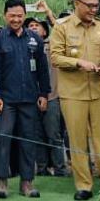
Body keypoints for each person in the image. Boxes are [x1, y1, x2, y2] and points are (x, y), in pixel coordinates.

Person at [50, 0, 100, 201]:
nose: (94, 9)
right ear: (77, 3)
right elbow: (56, 57)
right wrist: (78, 62)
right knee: (77, 140)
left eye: (96, 5)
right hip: (73, 93)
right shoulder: (62, 28)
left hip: (98, 91)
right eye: (90, 5)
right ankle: (84, 185)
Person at [0, 0, 51, 198]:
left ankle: (27, 182)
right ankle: (1, 181)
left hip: (30, 99)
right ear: (5, 15)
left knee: (28, 139)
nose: (16, 19)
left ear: (24, 15)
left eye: (19, 15)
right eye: (12, 16)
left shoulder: (35, 39)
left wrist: (44, 93)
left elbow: (43, 69)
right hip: (6, 100)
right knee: (3, 137)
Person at [25, 17, 68, 176]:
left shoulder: (52, 46)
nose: (34, 28)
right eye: (30, 26)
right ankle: (42, 170)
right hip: (30, 100)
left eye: (37, 25)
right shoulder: (23, 48)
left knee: (54, 136)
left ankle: (60, 170)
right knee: (37, 137)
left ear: (44, 31)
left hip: (51, 97)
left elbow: (62, 32)